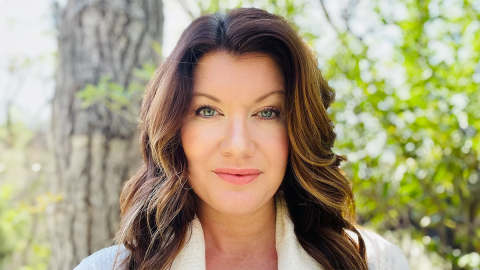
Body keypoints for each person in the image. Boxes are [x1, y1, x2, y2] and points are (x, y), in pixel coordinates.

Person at [75, 7, 409, 270]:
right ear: (174, 128)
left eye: (267, 112)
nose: (238, 146)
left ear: (299, 130)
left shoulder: (375, 263)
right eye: (208, 111)